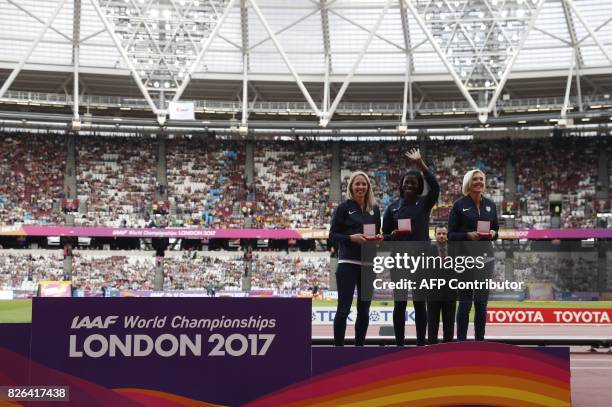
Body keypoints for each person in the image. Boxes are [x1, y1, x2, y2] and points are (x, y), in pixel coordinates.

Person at [382, 148, 439, 346]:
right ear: (401, 185)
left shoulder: (424, 203)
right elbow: (384, 237)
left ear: (418, 186)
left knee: (419, 304)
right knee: (399, 305)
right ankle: (399, 344)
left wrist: (420, 164)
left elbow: (436, 187)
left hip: (420, 261)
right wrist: (393, 235)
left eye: (413, 183)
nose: (409, 185)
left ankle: (421, 344)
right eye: (406, 182)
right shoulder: (392, 207)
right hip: (398, 261)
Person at [329, 171, 381, 346]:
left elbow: (374, 234)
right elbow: (332, 236)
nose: (361, 187)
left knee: (364, 310)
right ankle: (339, 349)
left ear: (368, 187)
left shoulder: (374, 209)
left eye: (364, 184)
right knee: (343, 309)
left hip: (368, 264)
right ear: (351, 187)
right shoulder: (343, 208)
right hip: (347, 264)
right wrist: (351, 238)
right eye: (357, 184)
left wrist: (378, 239)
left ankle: (359, 348)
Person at [448, 169, 499, 341]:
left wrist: (493, 233)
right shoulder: (459, 205)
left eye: (481, 179)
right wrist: (467, 235)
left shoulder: (491, 205)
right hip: (465, 261)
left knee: (481, 304)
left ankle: (479, 341)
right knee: (465, 303)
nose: (479, 182)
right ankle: (461, 342)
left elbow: (496, 230)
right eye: (475, 179)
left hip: (486, 260)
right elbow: (450, 235)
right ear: (468, 182)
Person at [426, 226, 456, 344]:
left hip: (450, 292)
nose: (442, 236)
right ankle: (431, 348)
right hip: (433, 292)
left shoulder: (454, 250)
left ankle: (448, 349)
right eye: (439, 233)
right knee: (432, 323)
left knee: (449, 323)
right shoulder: (428, 250)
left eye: (444, 233)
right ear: (435, 234)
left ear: (447, 234)